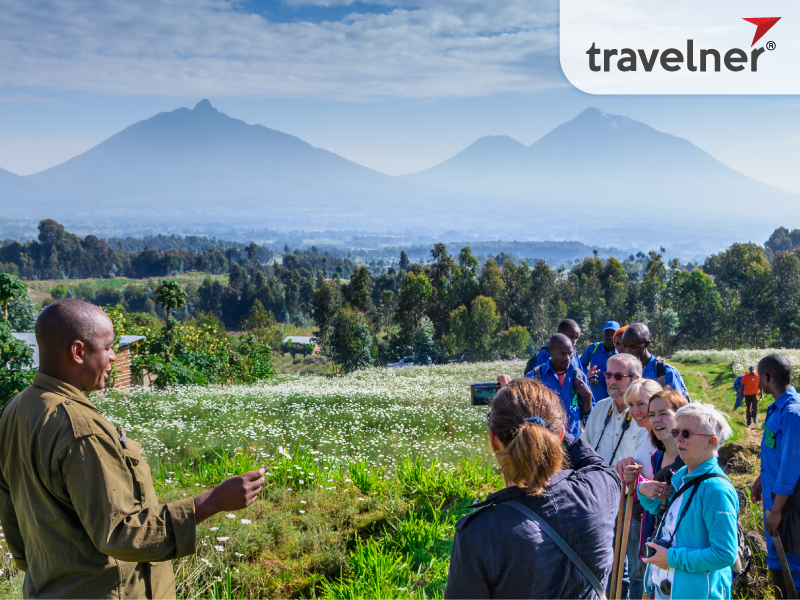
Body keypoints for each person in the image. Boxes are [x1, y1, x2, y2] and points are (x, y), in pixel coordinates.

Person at [0, 299, 265, 598]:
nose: (114, 357)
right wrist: (212, 502)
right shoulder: (79, 428)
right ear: (77, 352)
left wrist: (41, 567)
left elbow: (10, 509)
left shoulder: (18, 408)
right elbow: (120, 533)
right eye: (108, 347)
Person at [445, 377, 622, 599]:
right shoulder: (601, 488)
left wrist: (518, 412)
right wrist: (542, 421)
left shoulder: (480, 532)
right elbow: (592, 461)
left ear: (493, 439)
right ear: (559, 435)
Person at [640, 403, 739, 599]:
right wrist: (643, 491)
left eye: (686, 433)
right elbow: (662, 514)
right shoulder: (681, 476)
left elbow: (725, 554)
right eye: (676, 432)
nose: (678, 439)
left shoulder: (716, 490)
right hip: (669, 588)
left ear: (711, 442)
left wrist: (671, 558)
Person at [750, 354, 800, 597]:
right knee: (776, 559)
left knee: (791, 563)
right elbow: (777, 453)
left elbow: (791, 466)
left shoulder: (792, 413)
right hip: (773, 498)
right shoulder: (778, 407)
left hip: (787, 505)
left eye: (760, 377)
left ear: (767, 377)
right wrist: (761, 479)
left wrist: (778, 510)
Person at [613, 379, 664, 600]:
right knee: (637, 572)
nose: (635, 411)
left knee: (647, 575)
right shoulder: (645, 432)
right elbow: (644, 468)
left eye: (641, 404)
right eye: (631, 405)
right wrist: (628, 464)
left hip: (657, 519)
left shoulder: (665, 435)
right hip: (641, 513)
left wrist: (640, 482)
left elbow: (663, 479)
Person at [521, 333, 593, 437]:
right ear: (550, 352)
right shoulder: (535, 377)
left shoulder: (579, 375)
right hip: (546, 440)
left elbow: (587, 413)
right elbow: (525, 411)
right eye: (562, 353)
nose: (567, 358)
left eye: (570, 353)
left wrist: (588, 396)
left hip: (574, 439)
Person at [580, 353, 644, 468]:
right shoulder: (599, 408)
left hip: (629, 485)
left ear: (635, 379)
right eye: (608, 375)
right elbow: (583, 448)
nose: (612, 381)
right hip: (597, 483)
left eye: (619, 376)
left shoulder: (646, 414)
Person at [621, 323, 689, 400]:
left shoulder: (665, 372)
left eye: (633, 347)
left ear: (646, 344)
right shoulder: (623, 371)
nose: (627, 352)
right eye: (624, 346)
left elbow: (677, 407)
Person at [580, 320, 621, 403]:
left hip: (615, 400)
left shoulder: (621, 351)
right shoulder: (593, 348)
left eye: (613, 334)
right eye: (607, 333)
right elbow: (580, 365)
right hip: (596, 399)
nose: (609, 336)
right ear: (603, 335)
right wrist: (587, 376)